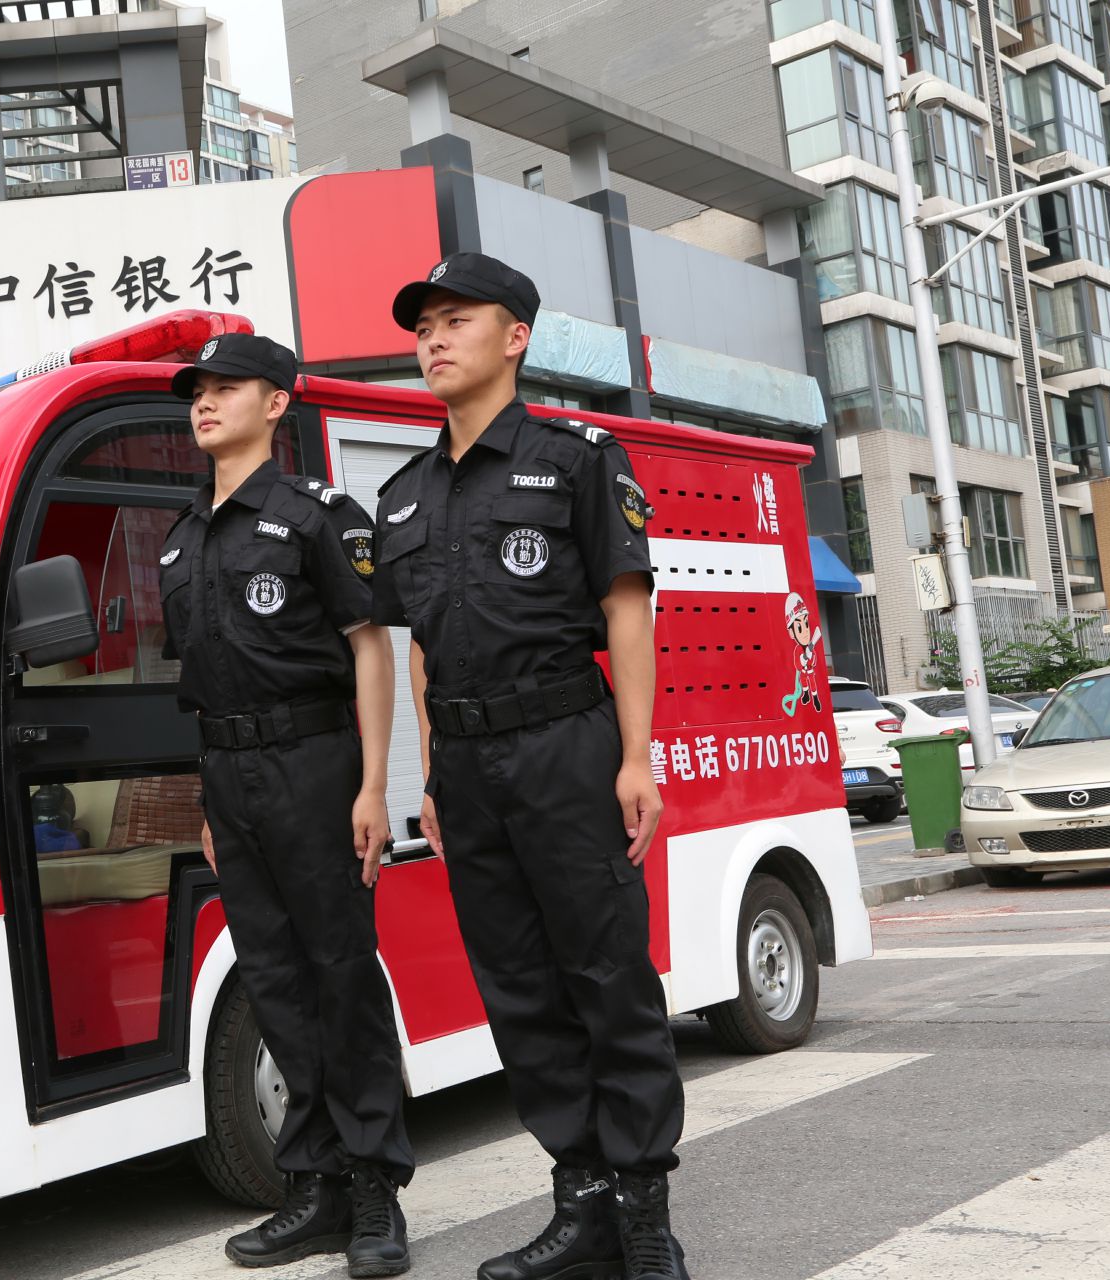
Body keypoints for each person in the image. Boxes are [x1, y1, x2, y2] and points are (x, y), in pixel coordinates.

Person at [369, 254, 689, 1280]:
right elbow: (421, 649)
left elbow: (626, 608)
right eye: (423, 326)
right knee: (518, 989)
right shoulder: (404, 495)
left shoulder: (577, 458)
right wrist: (430, 776)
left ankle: (645, 1216)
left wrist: (636, 756)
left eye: (456, 319)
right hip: (467, 767)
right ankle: (582, 1205)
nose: (434, 338)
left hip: (565, 744)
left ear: (515, 337)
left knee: (607, 974)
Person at [157, 333, 414, 1277]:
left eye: (226, 388)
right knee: (273, 983)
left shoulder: (316, 515)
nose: (205, 402)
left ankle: (376, 1190)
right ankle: (316, 1187)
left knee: (341, 976)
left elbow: (369, 646)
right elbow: (205, 681)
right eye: (197, 390)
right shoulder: (182, 538)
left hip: (314, 764)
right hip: (231, 780)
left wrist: (373, 785)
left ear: (276, 403)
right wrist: (209, 800)